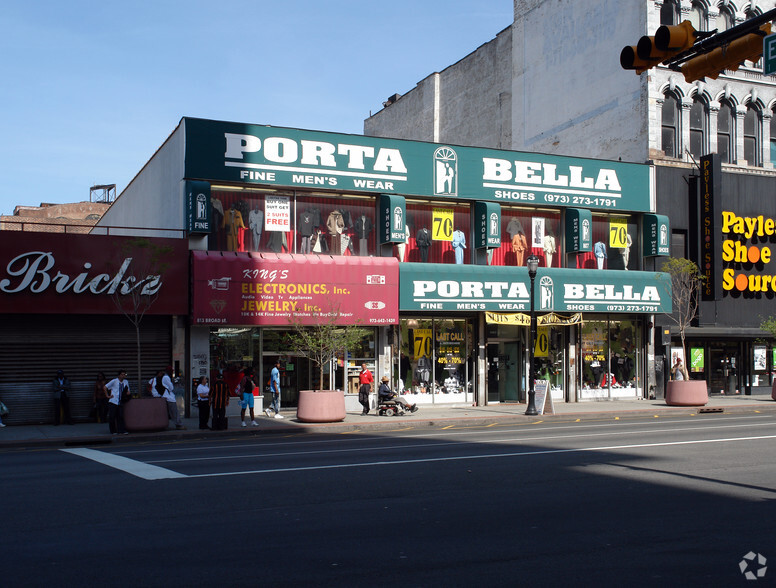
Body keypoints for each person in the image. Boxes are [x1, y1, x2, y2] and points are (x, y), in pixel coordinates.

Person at [104, 369, 130, 435]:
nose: (123, 376)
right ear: (119, 375)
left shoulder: (126, 382)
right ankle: (113, 431)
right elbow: (105, 387)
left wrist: (128, 393)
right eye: (122, 374)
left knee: (120, 416)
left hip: (120, 401)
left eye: (124, 374)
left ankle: (121, 430)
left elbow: (128, 390)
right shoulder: (114, 381)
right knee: (112, 417)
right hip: (113, 401)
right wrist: (107, 396)